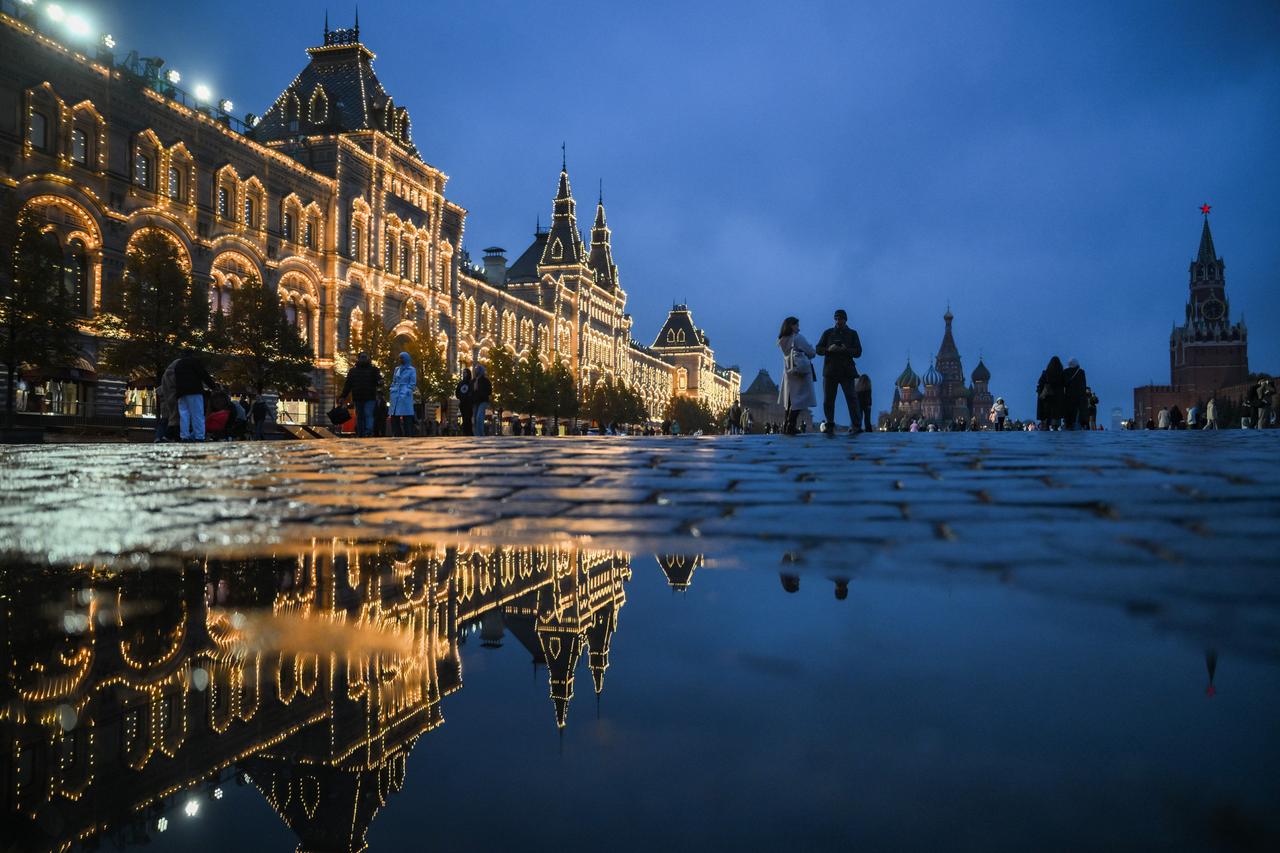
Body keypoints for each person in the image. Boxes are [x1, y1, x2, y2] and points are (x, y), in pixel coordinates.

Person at [814, 309, 863, 436]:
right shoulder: (828, 333)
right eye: (836, 319)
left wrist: (845, 350)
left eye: (840, 318)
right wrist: (829, 349)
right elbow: (818, 349)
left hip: (846, 372)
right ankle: (830, 424)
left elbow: (858, 352)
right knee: (828, 400)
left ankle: (856, 425)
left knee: (851, 398)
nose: (838, 321)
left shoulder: (852, 334)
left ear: (845, 320)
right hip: (830, 372)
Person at [777, 316, 817, 436]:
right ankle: (791, 425)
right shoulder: (797, 338)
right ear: (792, 326)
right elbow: (811, 352)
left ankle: (786, 425)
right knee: (800, 400)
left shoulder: (782, 340)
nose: (798, 328)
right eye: (797, 325)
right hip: (799, 372)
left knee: (789, 401)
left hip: (788, 372)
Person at [173, 350, 218, 441]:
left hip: (181, 392)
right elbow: (203, 375)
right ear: (192, 355)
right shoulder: (194, 362)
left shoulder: (178, 364)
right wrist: (213, 386)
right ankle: (199, 436)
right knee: (197, 414)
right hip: (194, 391)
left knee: (184, 415)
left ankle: (184, 436)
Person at [340, 351, 382, 438]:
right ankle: (362, 433)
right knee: (361, 416)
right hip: (359, 397)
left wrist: (380, 382)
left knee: (367, 414)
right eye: (362, 357)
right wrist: (343, 396)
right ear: (358, 359)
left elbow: (379, 382)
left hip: (368, 397)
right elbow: (348, 385)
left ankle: (367, 432)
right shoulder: (353, 371)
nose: (363, 359)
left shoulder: (373, 370)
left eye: (365, 357)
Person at [389, 351, 417, 437]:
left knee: (407, 416)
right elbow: (394, 381)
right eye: (400, 358)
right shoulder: (397, 369)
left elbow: (413, 383)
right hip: (395, 394)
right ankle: (397, 434)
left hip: (405, 394)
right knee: (394, 415)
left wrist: (407, 390)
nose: (401, 359)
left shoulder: (412, 370)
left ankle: (408, 434)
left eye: (402, 358)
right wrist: (392, 388)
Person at [1036, 356, 1065, 430]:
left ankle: (1046, 426)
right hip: (1058, 397)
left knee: (1047, 412)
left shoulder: (1046, 373)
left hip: (1047, 396)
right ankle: (1056, 426)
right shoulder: (1062, 374)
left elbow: (1040, 384)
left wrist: (1040, 393)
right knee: (1056, 413)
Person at [1062, 358, 1087, 430]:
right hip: (1078, 395)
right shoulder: (1081, 371)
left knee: (1068, 410)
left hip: (1068, 395)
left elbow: (1064, 383)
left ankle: (1068, 425)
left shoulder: (1065, 371)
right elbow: (1083, 385)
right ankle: (1075, 425)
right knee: (1077, 411)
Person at [471, 364, 491, 436]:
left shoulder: (485, 380)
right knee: (475, 418)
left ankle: (481, 433)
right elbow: (471, 391)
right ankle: (477, 434)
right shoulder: (473, 381)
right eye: (475, 369)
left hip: (483, 401)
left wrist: (481, 393)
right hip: (475, 401)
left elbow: (489, 391)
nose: (476, 371)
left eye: (477, 369)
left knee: (479, 416)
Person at [456, 368, 473, 436]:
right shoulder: (460, 383)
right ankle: (465, 432)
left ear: (468, 373)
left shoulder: (471, 383)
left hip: (469, 404)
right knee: (464, 418)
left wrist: (469, 398)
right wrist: (460, 397)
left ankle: (469, 432)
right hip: (462, 403)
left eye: (465, 372)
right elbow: (457, 392)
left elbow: (472, 391)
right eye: (463, 372)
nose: (464, 374)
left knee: (468, 418)